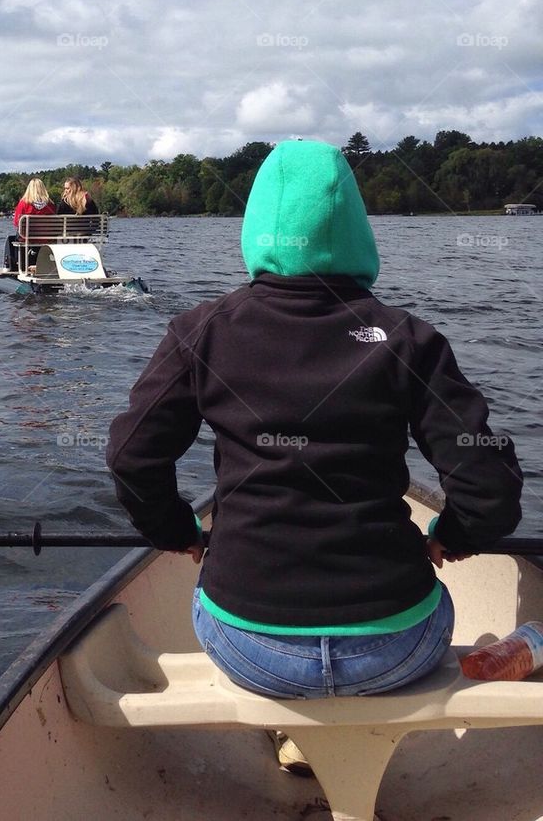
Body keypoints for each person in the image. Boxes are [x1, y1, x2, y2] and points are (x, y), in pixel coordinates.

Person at [106, 139, 522, 709]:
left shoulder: (201, 332)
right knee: (431, 610)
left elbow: (131, 457)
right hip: (397, 644)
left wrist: (176, 531)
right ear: (355, 229)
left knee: (225, 614)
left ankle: (296, 725)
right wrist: (452, 536)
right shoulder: (406, 338)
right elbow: (489, 482)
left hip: (248, 644)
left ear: (257, 227)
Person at [3, 178, 56, 271]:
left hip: (28, 238)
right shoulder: (51, 205)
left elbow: (16, 223)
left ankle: (13, 266)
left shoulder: (23, 203)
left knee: (11, 239)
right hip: (47, 239)